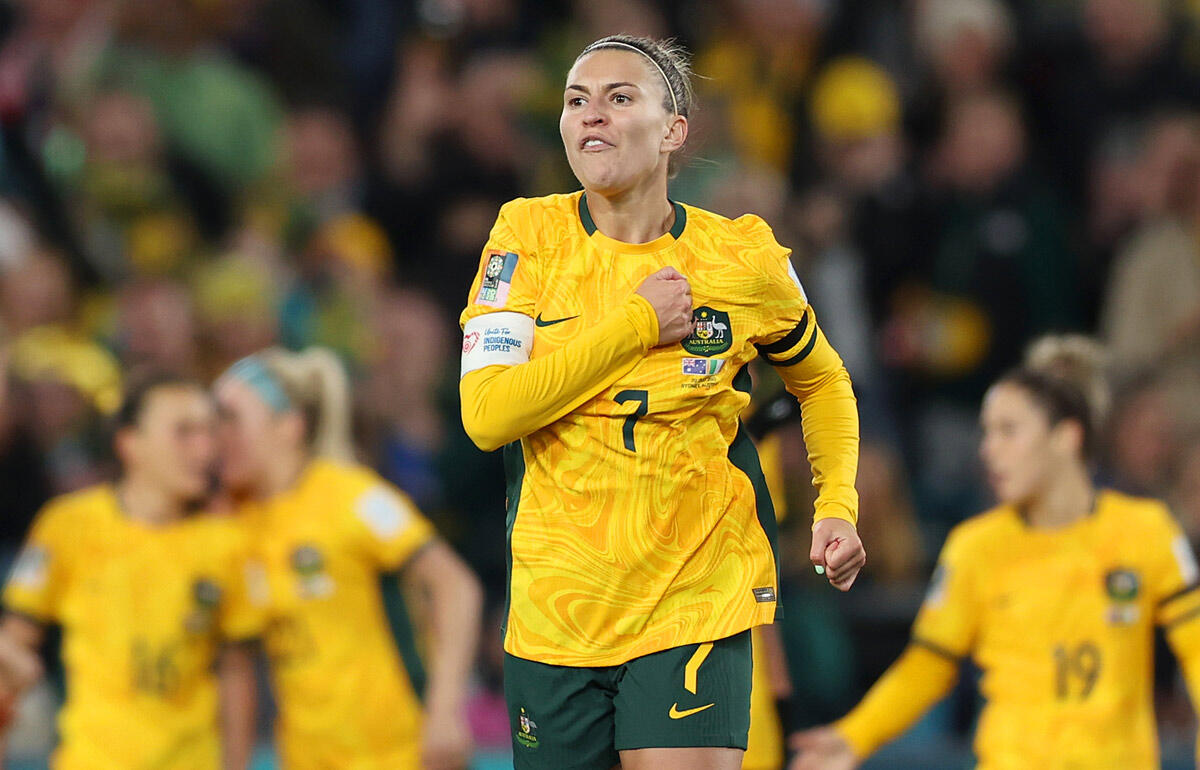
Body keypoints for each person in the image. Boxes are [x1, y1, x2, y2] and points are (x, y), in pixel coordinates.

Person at [458, 34, 864, 770]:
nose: (592, 114)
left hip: (694, 595)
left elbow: (823, 380)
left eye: (620, 98)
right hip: (557, 613)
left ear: (674, 131)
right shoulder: (525, 237)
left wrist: (835, 502)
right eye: (577, 100)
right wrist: (636, 324)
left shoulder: (742, 257)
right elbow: (487, 416)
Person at [793, 336, 1200, 769]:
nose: (988, 449)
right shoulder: (976, 546)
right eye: (987, 432)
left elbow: (1195, 647)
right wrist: (854, 737)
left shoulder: (1145, 531)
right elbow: (928, 665)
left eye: (1008, 431)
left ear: (1066, 437)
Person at [214, 346, 483, 770]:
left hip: (400, 754)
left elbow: (455, 586)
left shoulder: (351, 498)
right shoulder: (238, 523)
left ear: (288, 426)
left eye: (230, 419)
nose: (217, 437)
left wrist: (446, 710)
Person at [0, 375, 263, 769]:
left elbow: (236, 672)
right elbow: (14, 647)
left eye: (209, 431)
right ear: (130, 443)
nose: (204, 448)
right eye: (183, 432)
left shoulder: (228, 544)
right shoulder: (69, 525)